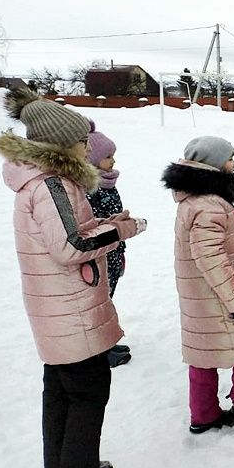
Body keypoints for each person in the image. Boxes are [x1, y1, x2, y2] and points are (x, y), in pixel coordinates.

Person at [0, 88, 146, 468]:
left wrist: (105, 221)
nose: (87, 145)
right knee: (87, 391)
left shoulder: (42, 181)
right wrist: (121, 232)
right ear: (63, 144)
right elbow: (72, 245)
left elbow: (69, 228)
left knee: (61, 389)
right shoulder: (52, 184)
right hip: (69, 307)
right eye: (82, 139)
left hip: (57, 306)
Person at [162, 136, 234, 433]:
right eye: (230, 158)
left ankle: (204, 413)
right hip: (224, 294)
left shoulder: (196, 199)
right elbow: (210, 257)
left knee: (203, 354)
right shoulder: (210, 205)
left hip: (201, 295)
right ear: (212, 164)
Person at [84, 123, 133, 367]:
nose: (112, 161)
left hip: (114, 251)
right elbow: (93, 224)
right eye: (107, 157)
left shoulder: (105, 182)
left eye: (113, 156)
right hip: (98, 254)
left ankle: (105, 340)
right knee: (97, 300)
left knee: (108, 295)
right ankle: (97, 349)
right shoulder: (88, 189)